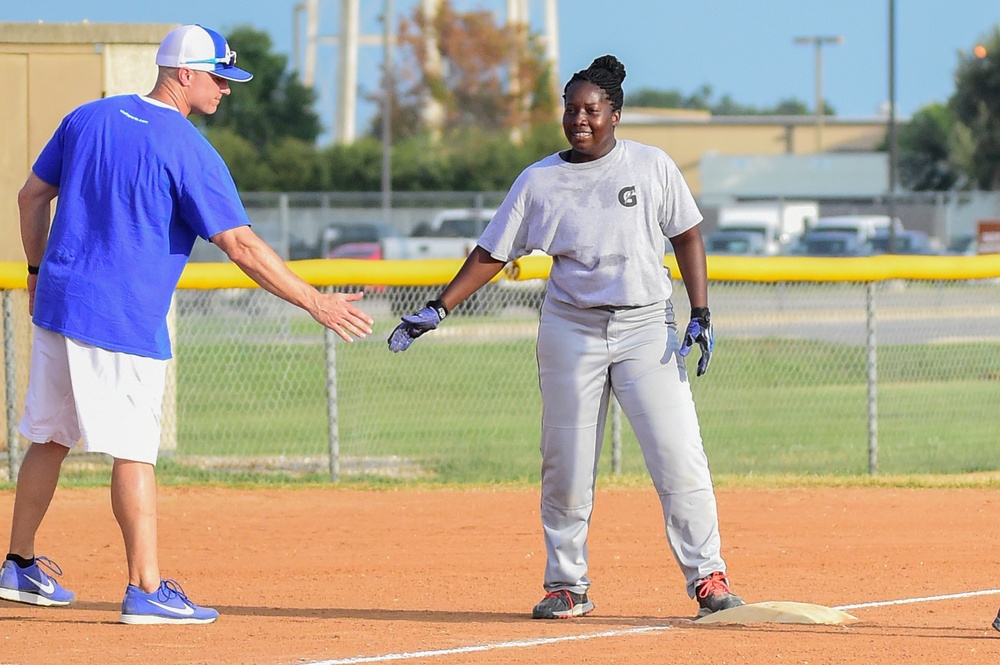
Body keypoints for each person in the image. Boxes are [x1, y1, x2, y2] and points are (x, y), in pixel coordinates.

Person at [0, 24, 373, 625]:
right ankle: (145, 587)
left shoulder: (87, 118)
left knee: (48, 436)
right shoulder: (189, 148)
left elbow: (29, 196)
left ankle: (17, 565)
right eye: (218, 77)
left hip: (60, 304)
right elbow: (241, 244)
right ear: (184, 74)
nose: (226, 90)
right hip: (119, 319)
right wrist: (317, 302)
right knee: (134, 452)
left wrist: (38, 270)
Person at [388, 55, 744, 619]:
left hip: (646, 325)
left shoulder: (651, 166)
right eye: (571, 109)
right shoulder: (539, 180)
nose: (579, 119)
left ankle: (709, 578)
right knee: (566, 463)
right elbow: (491, 252)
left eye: (591, 110)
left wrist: (700, 311)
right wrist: (437, 307)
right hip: (570, 328)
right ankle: (566, 584)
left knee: (679, 457)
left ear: (616, 114)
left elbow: (688, 237)